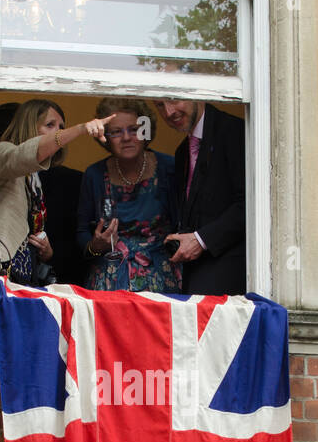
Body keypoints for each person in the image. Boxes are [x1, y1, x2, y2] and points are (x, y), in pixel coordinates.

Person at [0, 99, 113, 284]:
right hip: (2, 273)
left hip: (25, 275)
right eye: (50, 125)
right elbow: (20, 156)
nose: (58, 132)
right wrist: (81, 129)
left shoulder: (35, 176)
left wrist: (47, 251)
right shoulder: (0, 152)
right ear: (29, 127)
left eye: (61, 127)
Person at [77, 98, 179, 293]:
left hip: (162, 279)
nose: (126, 137)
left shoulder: (170, 168)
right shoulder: (94, 174)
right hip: (109, 282)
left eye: (134, 129)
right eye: (116, 132)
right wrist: (95, 246)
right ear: (105, 136)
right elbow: (81, 232)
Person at [157, 99, 246, 296]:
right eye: (159, 105)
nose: (169, 112)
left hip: (231, 279)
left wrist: (201, 240)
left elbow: (251, 203)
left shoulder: (236, 130)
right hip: (194, 276)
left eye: (173, 99)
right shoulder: (182, 151)